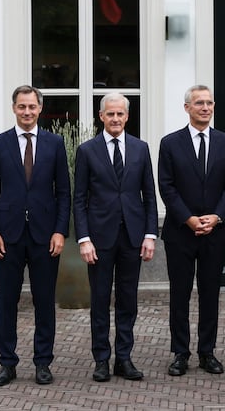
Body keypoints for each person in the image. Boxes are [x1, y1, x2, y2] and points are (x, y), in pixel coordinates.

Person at [0, 85, 70, 386]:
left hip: (46, 237)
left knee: (44, 302)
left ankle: (43, 363)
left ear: (40, 108)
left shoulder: (55, 143)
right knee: (7, 302)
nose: (27, 112)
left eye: (32, 107)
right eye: (22, 107)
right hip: (8, 237)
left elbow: (64, 193)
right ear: (14, 108)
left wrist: (60, 231)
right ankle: (7, 363)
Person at [74, 93, 159, 382]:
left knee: (128, 300)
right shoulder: (87, 151)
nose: (115, 119)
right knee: (99, 300)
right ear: (101, 116)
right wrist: (83, 238)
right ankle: (101, 359)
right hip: (99, 239)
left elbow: (149, 195)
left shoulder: (140, 148)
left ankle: (124, 358)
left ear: (127, 116)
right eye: (110, 114)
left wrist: (150, 235)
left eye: (120, 114)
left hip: (132, 237)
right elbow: (79, 199)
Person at [158, 85, 225, 376]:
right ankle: (180, 353)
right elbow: (166, 186)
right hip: (181, 232)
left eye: (209, 103)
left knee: (210, 293)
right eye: (199, 103)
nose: (205, 108)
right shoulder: (170, 143)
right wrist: (189, 219)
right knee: (179, 295)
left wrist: (216, 216)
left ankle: (207, 352)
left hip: (215, 233)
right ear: (187, 108)